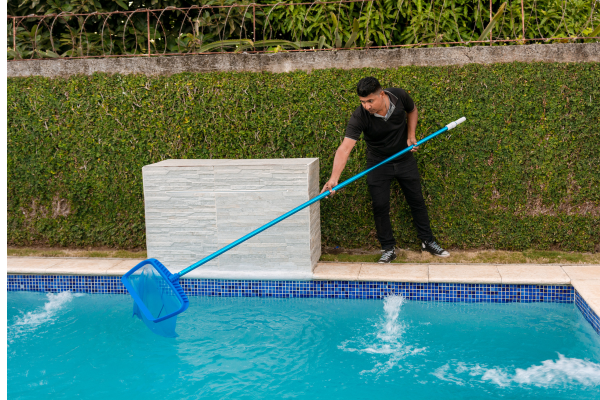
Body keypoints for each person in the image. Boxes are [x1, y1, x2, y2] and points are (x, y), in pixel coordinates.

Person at [320, 77, 449, 263]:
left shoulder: (399, 95)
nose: (366, 106)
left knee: (417, 201)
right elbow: (344, 148)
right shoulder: (360, 116)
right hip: (378, 163)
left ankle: (427, 241)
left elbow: (412, 111)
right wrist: (334, 179)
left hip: (404, 158)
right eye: (362, 102)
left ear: (382, 94)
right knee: (380, 206)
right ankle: (388, 248)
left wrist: (411, 135)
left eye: (370, 101)